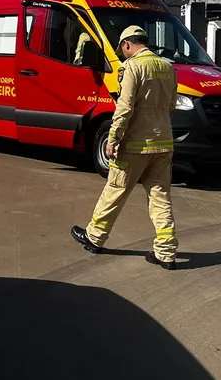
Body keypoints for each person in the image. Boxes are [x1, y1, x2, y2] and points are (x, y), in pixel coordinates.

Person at [70, 25, 180, 270]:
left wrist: (113, 138)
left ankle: (94, 237)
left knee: (115, 190)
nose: (123, 54)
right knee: (160, 198)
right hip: (163, 144)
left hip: (135, 146)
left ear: (127, 44)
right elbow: (172, 104)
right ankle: (166, 252)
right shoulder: (168, 67)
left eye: (122, 49)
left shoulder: (132, 67)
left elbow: (125, 107)